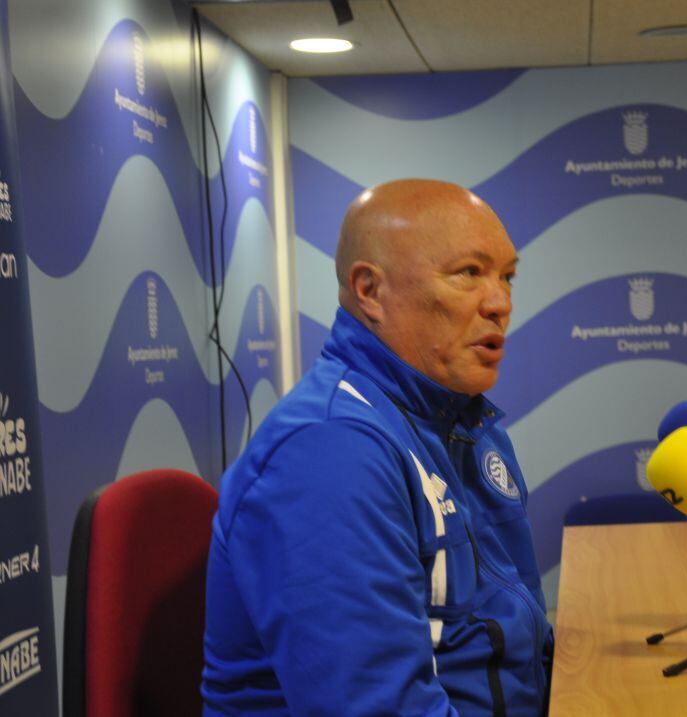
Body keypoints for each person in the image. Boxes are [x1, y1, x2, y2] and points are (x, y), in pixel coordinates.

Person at [202, 179, 554, 716]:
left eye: (507, 276)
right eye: (469, 274)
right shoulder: (328, 454)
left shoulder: (465, 420)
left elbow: (514, 644)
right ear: (370, 291)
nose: (500, 303)